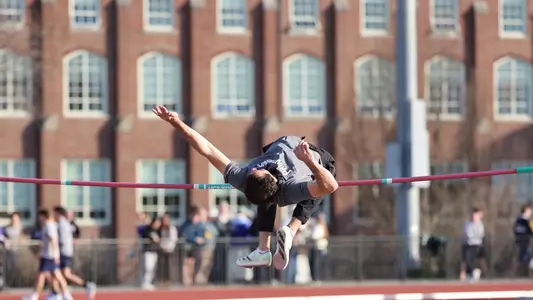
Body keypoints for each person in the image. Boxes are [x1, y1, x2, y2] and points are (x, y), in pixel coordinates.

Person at [153, 106, 338, 271]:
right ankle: (290, 230)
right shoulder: (289, 189)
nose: (255, 168)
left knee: (266, 196)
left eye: (254, 171)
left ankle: (264, 249)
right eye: (258, 171)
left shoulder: (242, 178)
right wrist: (310, 162)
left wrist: (176, 123)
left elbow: (207, 149)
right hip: (317, 159)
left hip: (284, 152)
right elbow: (330, 186)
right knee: (318, 186)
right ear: (270, 177)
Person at [25, 209, 72, 300]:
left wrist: (55, 254)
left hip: (49, 256)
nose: (39, 219)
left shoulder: (49, 225)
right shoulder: (49, 225)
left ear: (43, 216)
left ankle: (35, 296)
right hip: (48, 255)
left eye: (40, 216)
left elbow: (53, 240)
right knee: (55, 275)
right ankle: (60, 294)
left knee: (43, 275)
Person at [52, 206, 97, 299]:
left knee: (59, 273)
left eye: (54, 213)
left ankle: (59, 294)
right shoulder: (65, 223)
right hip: (66, 251)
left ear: (58, 213)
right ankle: (60, 293)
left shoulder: (62, 223)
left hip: (63, 252)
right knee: (62, 273)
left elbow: (62, 238)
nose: (53, 216)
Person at [460, 208, 484, 281]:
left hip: (475, 244)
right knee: (466, 259)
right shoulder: (467, 223)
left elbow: (480, 234)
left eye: (476, 216)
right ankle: (469, 273)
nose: (474, 217)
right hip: (467, 244)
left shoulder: (480, 224)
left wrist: (473, 236)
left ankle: (473, 272)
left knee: (471, 259)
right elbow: (466, 233)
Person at [141, 217, 161, 290]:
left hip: (154, 251)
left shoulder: (157, 231)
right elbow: (144, 234)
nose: (158, 224)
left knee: (152, 268)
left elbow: (159, 239)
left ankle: (149, 282)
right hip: (148, 251)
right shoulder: (147, 230)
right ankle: (145, 282)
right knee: (148, 267)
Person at [158, 213, 178, 285]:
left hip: (169, 250)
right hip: (162, 249)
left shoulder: (172, 228)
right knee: (161, 266)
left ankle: (168, 280)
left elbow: (173, 239)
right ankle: (161, 280)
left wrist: (168, 247)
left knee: (168, 266)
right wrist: (161, 246)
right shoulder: (161, 228)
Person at [514, 204, 533, 275]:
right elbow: (529, 230)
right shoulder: (523, 220)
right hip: (523, 240)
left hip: (523, 240)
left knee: (523, 256)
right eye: (529, 211)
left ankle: (517, 272)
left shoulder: (522, 220)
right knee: (525, 256)